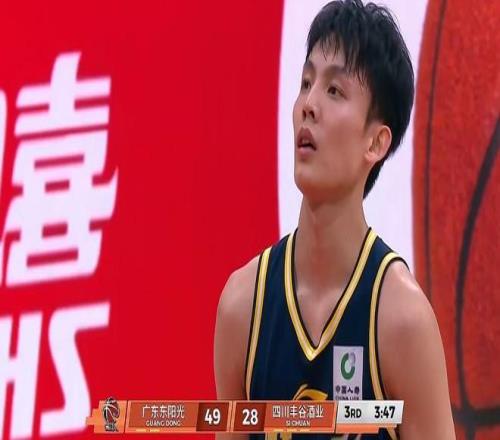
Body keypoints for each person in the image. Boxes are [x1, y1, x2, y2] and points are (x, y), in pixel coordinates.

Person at [214, 1, 455, 439]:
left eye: (334, 91)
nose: (309, 105)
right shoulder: (242, 307)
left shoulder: (402, 321)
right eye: (306, 83)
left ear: (375, 143)